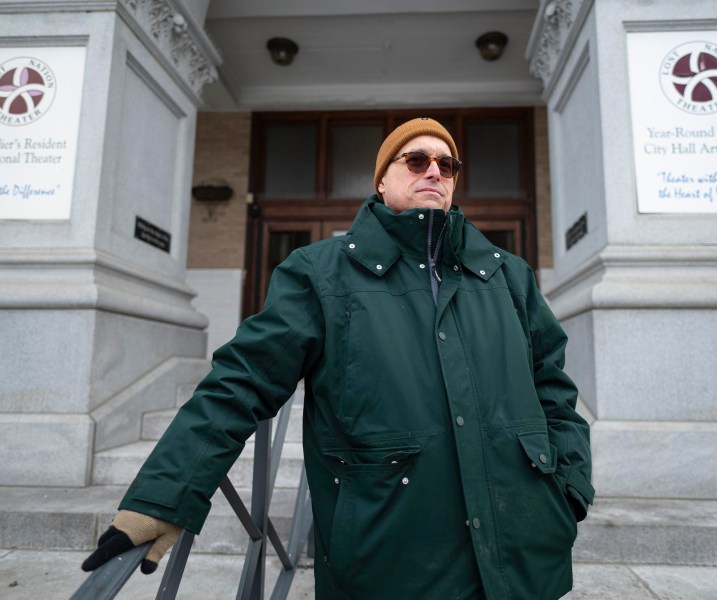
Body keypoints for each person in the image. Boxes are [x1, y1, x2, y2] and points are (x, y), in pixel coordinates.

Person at [82, 118, 593, 599]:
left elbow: (552, 386)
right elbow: (242, 380)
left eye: (447, 163)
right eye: (415, 160)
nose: (435, 170)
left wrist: (569, 490)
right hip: (389, 561)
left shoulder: (509, 276)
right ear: (381, 182)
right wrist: (162, 497)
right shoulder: (321, 273)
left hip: (521, 555)